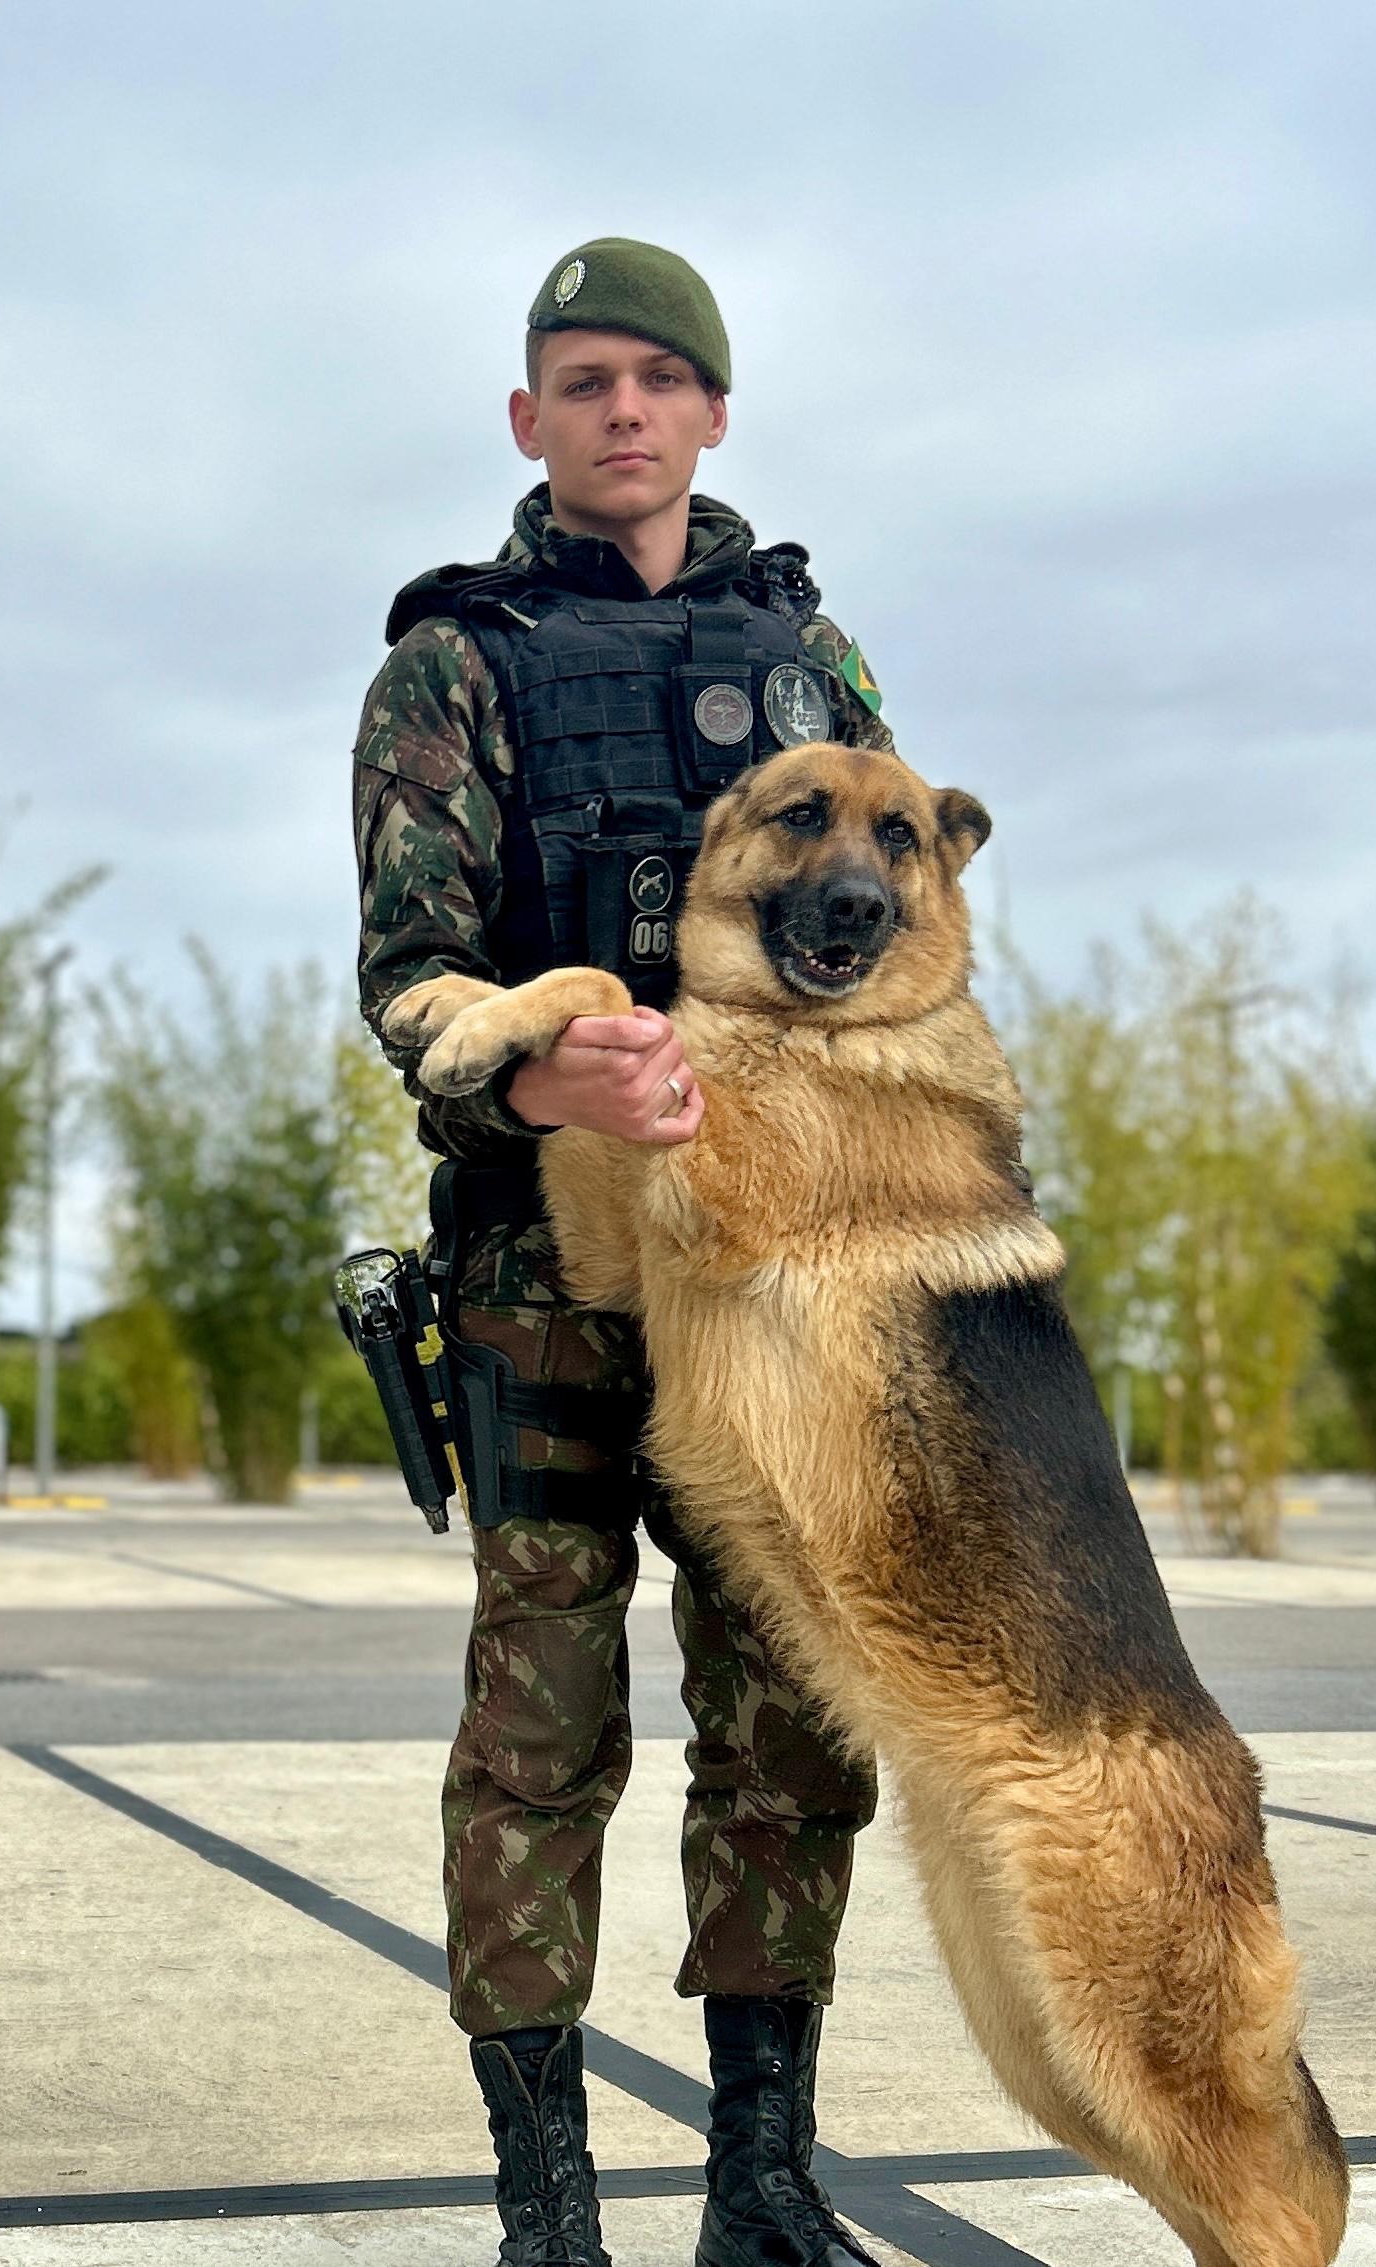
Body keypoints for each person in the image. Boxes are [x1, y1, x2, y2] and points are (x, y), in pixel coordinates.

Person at [351, 238, 893, 2267]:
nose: (620, 410)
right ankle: (544, 2213)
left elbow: (900, 938)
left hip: (771, 1291)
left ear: (711, 413)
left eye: (655, 378)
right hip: (539, 1282)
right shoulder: (449, 666)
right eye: (580, 381)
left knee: (785, 1732)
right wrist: (534, 1083)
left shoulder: (816, 662)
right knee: (534, 1748)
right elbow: (408, 982)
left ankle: (759, 2188)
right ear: (527, 419)